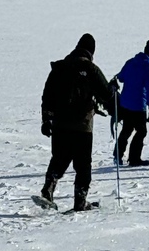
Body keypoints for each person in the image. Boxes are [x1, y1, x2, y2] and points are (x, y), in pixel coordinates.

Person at [39, 33, 115, 211]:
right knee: (83, 165)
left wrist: (46, 119)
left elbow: (47, 96)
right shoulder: (90, 69)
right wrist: (112, 89)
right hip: (82, 126)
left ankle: (48, 189)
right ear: (91, 51)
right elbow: (105, 94)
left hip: (59, 124)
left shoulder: (59, 68)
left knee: (59, 158)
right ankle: (80, 200)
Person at [114, 38, 149, 166]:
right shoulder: (148, 68)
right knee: (141, 131)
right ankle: (134, 158)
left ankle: (117, 154)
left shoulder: (130, 62)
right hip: (138, 106)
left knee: (127, 129)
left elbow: (120, 78)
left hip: (125, 103)